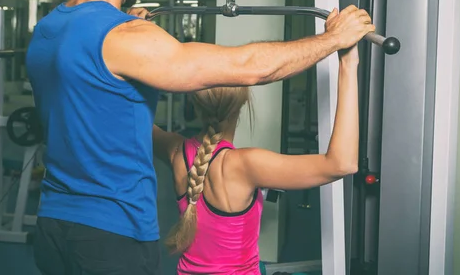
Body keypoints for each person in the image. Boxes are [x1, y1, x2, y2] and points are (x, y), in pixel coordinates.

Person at [25, 0, 374, 275]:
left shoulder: (47, 31)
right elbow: (249, 68)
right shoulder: (124, 37)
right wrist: (334, 41)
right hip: (110, 235)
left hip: (52, 226)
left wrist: (125, 23)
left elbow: (94, 109)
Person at [151, 42, 359, 275]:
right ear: (243, 103)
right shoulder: (246, 164)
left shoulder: (176, 152)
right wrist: (348, 64)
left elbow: (136, 122)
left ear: (195, 104)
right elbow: (343, 163)